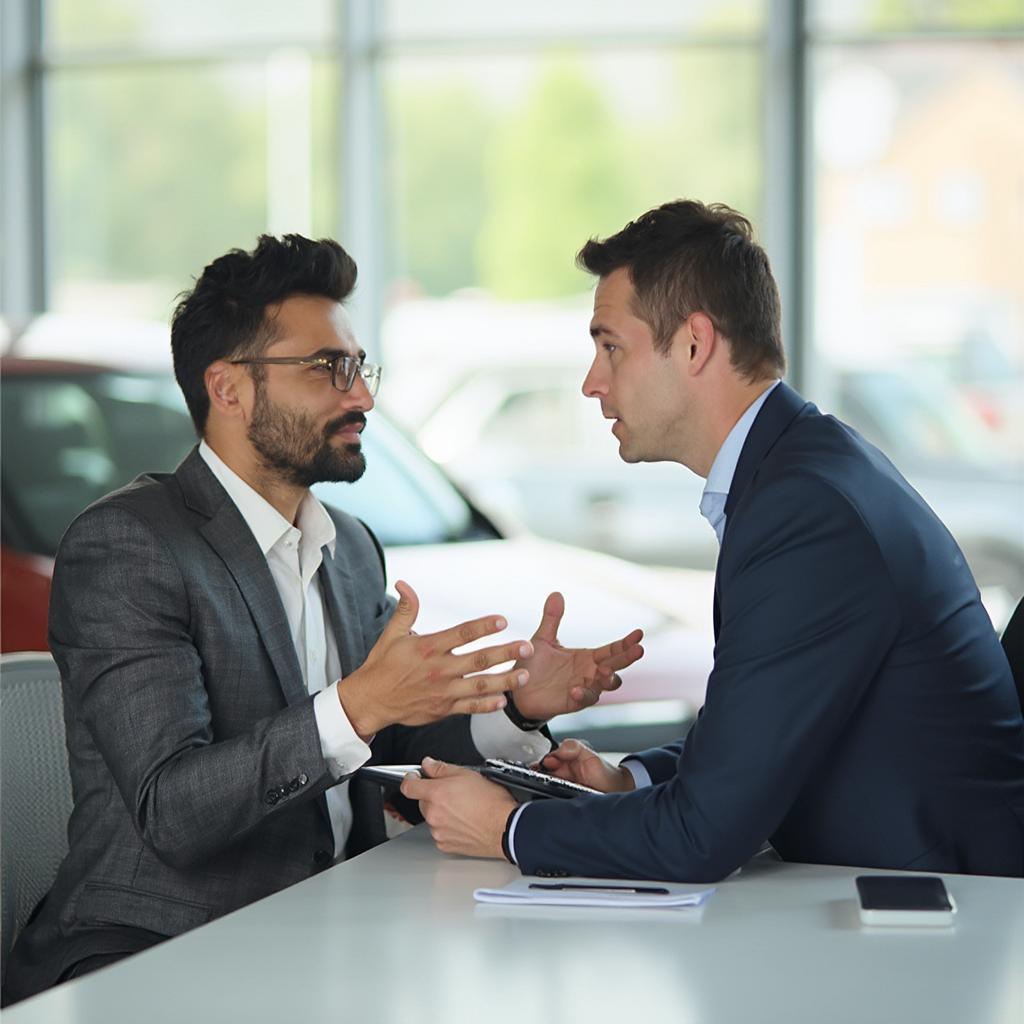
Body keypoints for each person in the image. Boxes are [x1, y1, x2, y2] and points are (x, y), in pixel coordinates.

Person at [2, 234, 643, 1004]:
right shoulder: (129, 546)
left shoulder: (349, 549)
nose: (362, 395)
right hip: (158, 950)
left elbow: (386, 737)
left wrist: (514, 706)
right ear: (229, 387)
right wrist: (361, 703)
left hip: (338, 926)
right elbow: (172, 809)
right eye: (327, 368)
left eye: (359, 366)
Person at [402, 199, 1024, 881]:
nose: (592, 382)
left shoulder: (804, 510)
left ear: (695, 344)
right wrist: (630, 782)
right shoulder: (804, 467)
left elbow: (700, 838)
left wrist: (505, 827)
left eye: (611, 346)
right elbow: (765, 729)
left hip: (939, 922)